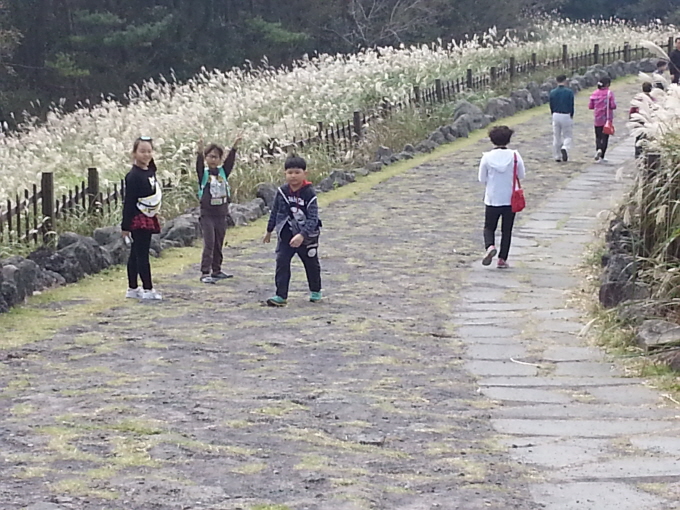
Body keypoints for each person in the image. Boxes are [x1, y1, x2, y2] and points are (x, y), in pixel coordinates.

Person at [263, 155, 322, 306]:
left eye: (297, 172)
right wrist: (269, 230)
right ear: (285, 174)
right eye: (290, 173)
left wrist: (302, 235)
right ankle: (281, 295)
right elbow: (275, 211)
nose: (293, 176)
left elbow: (313, 218)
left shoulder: (309, 194)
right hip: (286, 234)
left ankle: (315, 290)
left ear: (305, 174)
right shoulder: (282, 191)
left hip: (307, 236)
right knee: (282, 261)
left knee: (311, 263)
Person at [478, 126, 526, 269]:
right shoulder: (515, 156)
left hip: (492, 198)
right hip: (510, 199)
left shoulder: (486, 157)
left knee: (489, 227)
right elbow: (521, 175)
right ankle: (502, 259)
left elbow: (481, 179)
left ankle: (490, 246)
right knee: (507, 230)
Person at [121, 136, 163, 300]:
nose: (146, 155)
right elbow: (129, 201)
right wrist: (125, 226)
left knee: (135, 253)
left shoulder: (149, 172)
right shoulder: (133, 176)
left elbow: (152, 171)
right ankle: (147, 289)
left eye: (149, 151)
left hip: (149, 214)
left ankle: (132, 288)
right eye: (142, 151)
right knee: (142, 254)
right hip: (139, 218)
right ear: (134, 153)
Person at [196, 136, 241, 284]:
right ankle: (205, 272)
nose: (213, 160)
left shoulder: (222, 172)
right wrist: (199, 151)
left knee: (218, 243)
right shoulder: (204, 174)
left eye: (216, 157)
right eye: (210, 156)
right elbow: (199, 166)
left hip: (221, 214)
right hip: (207, 214)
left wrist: (234, 148)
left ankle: (217, 270)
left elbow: (230, 162)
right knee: (209, 243)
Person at [588, 77, 616, 162]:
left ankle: (598, 149)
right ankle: (602, 155)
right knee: (605, 137)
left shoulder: (594, 93)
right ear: (607, 84)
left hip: (597, 118)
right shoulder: (609, 93)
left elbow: (590, 106)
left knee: (598, 136)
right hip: (607, 119)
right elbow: (613, 106)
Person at [549, 75, 574, 162]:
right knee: (568, 135)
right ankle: (565, 147)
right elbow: (571, 104)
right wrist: (571, 114)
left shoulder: (552, 92)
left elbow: (551, 105)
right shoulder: (569, 92)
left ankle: (557, 155)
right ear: (565, 80)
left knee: (556, 136)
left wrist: (552, 113)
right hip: (566, 114)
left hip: (556, 114)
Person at [629, 82, 655, 158]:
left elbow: (632, 110)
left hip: (639, 120)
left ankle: (637, 154)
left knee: (638, 137)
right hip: (649, 121)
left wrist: (631, 118)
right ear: (651, 89)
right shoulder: (652, 99)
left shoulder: (638, 98)